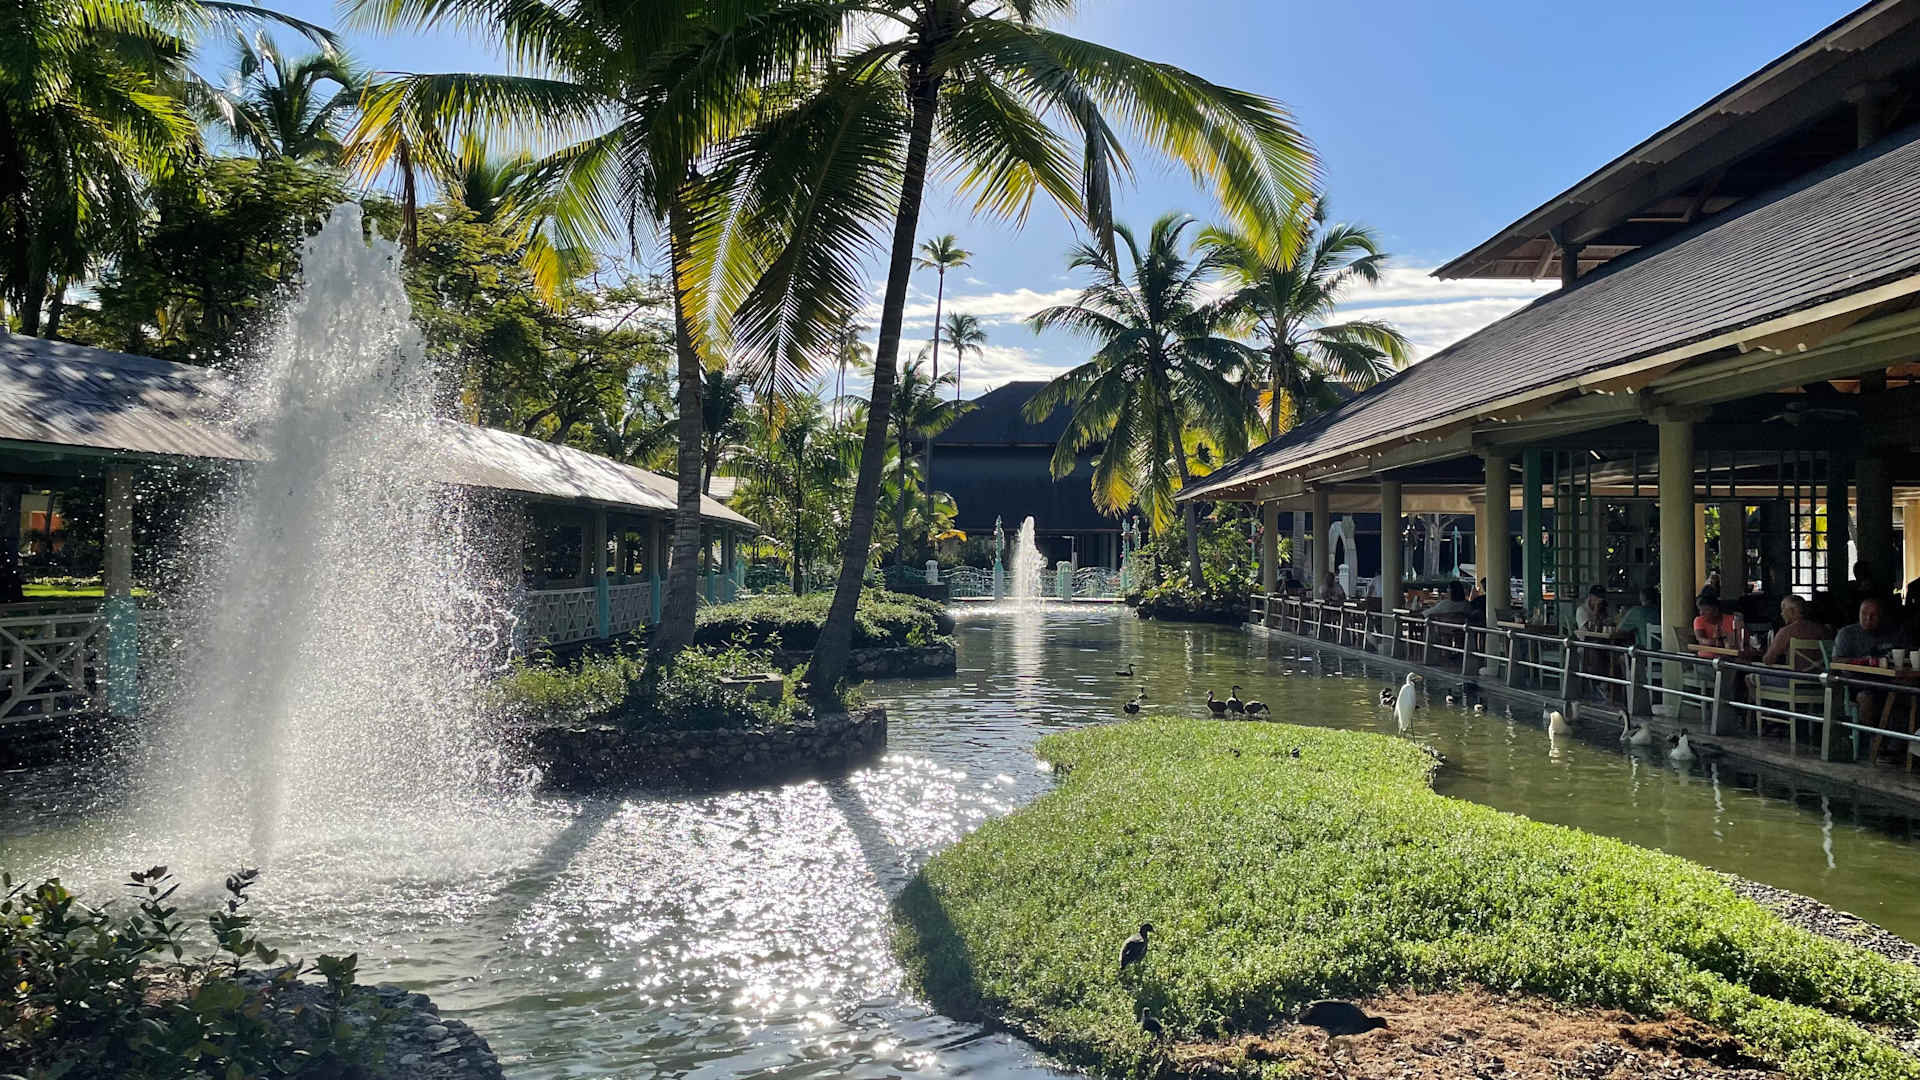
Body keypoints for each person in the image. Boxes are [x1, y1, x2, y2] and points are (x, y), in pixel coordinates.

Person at [1760, 595, 1830, 669]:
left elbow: (1768, 660)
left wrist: (1761, 652)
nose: (1781, 613)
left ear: (1791, 611)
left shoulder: (1786, 632)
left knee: (1754, 673)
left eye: (1783, 609)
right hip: (1819, 675)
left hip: (1794, 675)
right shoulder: (1822, 630)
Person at [1834, 596, 1904, 661]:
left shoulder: (1894, 633)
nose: (1868, 618)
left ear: (1881, 616)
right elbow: (1836, 661)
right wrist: (1863, 661)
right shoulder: (1846, 634)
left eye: (1874, 615)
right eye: (1864, 613)